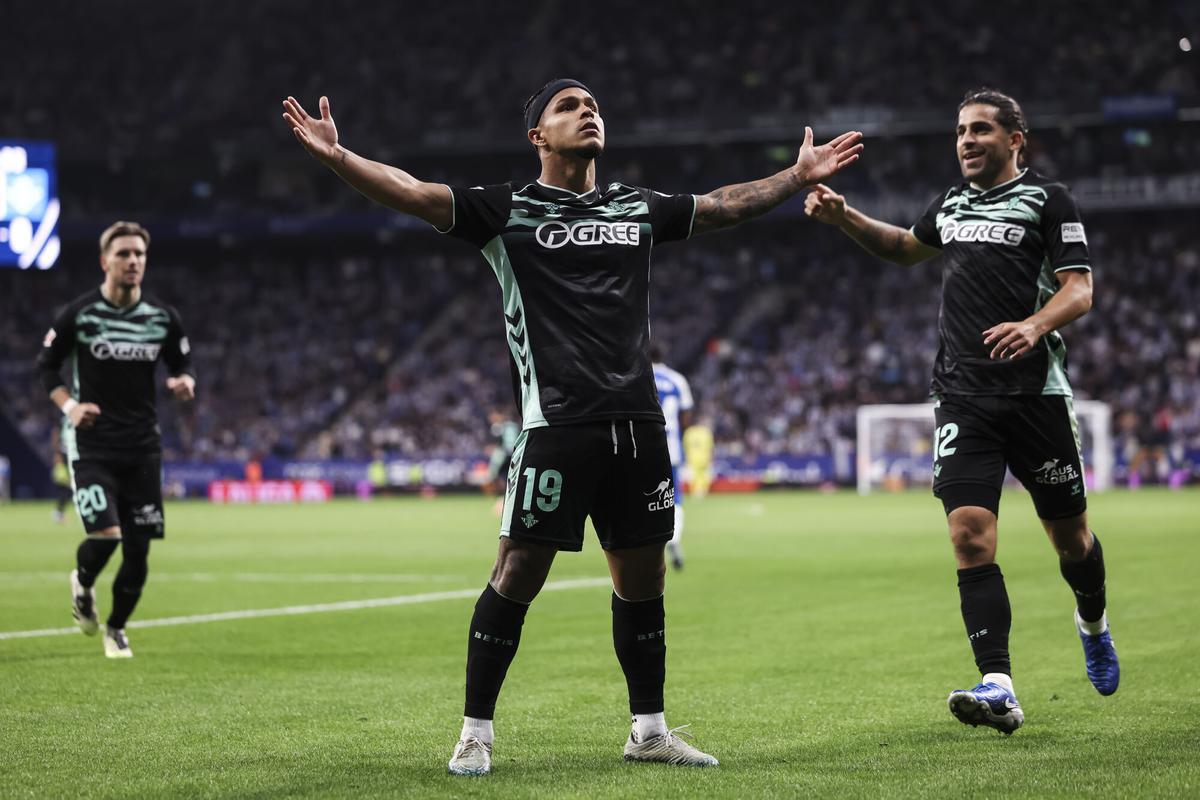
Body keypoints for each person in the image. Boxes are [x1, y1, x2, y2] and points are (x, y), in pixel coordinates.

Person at [282, 78, 862, 774]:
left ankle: (648, 731)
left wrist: (796, 175)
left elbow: (719, 207)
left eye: (594, 107)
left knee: (643, 578)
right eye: (569, 107)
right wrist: (341, 158)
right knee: (518, 570)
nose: (588, 113)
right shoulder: (504, 209)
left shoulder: (635, 207)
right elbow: (412, 191)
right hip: (556, 422)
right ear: (538, 136)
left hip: (639, 423)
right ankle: (475, 733)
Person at [804, 88, 1117, 735]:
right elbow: (902, 247)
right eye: (959, 131)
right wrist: (844, 217)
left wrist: (1033, 327)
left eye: (979, 130)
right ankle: (998, 685)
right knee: (969, 533)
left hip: (1037, 398)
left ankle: (1093, 622)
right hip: (963, 396)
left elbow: (1079, 289)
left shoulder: (1047, 200)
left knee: (1072, 540)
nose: (966, 140)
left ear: (1014, 142)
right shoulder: (950, 204)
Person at [36, 221, 196, 658]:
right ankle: (83, 581)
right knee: (107, 534)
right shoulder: (80, 314)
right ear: (105, 261)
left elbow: (182, 363)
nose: (133, 261)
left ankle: (117, 628)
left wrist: (184, 381)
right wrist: (70, 407)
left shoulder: (162, 318)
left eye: (139, 255)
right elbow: (47, 366)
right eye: (124, 254)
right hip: (92, 444)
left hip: (143, 446)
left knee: (139, 551)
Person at [649, 343, 694, 570]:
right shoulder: (677, 380)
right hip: (671, 448)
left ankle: (642, 544)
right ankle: (674, 540)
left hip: (643, 446)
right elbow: (686, 416)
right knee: (674, 497)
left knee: (639, 494)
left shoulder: (640, 376)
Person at [483, 409, 521, 515]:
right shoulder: (512, 425)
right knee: (509, 477)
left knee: (495, 477)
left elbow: (496, 445)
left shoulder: (499, 427)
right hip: (515, 455)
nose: (492, 419)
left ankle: (502, 501)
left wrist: (492, 449)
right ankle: (505, 500)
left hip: (505, 456)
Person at [683, 418, 715, 499]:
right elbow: (710, 447)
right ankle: (701, 493)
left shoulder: (689, 432)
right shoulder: (706, 432)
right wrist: (711, 458)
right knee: (702, 477)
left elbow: (685, 447)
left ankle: (696, 493)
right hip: (703, 458)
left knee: (695, 477)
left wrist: (685, 458)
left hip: (692, 458)